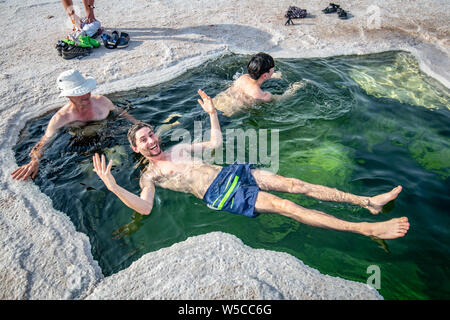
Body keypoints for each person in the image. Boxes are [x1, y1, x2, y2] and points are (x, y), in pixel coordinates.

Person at [92, 89, 409, 240]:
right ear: (135, 148)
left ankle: (368, 202)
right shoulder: (150, 176)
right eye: (143, 140)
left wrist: (213, 113)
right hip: (222, 194)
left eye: (151, 134)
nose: (151, 141)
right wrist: (114, 186)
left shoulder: (180, 147)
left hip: (232, 173)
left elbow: (215, 143)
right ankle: (365, 229)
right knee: (286, 205)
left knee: (298, 185)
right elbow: (145, 208)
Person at [11, 69, 138, 181]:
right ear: (67, 95)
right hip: (83, 149)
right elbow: (44, 141)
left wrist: (137, 123)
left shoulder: (101, 101)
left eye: (86, 90)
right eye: (79, 93)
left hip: (109, 139)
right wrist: (34, 161)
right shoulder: (61, 118)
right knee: (90, 179)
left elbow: (120, 112)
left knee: (122, 167)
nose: (86, 95)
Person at [213, 52, 305, 117]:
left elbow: (257, 77)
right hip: (225, 117)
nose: (274, 70)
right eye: (273, 69)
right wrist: (295, 88)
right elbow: (282, 98)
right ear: (265, 75)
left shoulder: (243, 78)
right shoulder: (263, 96)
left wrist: (273, 75)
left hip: (214, 104)